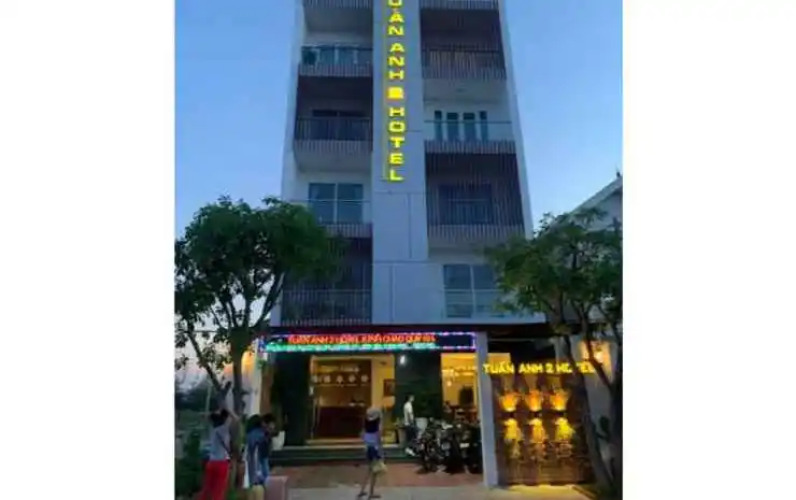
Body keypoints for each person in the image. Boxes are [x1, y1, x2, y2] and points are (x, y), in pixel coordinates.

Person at [198, 405, 238, 500]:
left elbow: (207, 416)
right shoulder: (224, 429)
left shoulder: (212, 429)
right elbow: (236, 419)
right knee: (218, 491)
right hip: (221, 464)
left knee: (206, 489)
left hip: (211, 463)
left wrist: (217, 411)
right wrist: (228, 409)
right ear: (224, 419)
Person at [358, 407, 383, 499]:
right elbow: (379, 437)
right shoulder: (378, 424)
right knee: (374, 471)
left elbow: (362, 434)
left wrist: (366, 442)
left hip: (368, 448)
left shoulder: (366, 423)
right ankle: (370, 493)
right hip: (374, 448)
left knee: (370, 470)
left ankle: (362, 491)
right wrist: (380, 450)